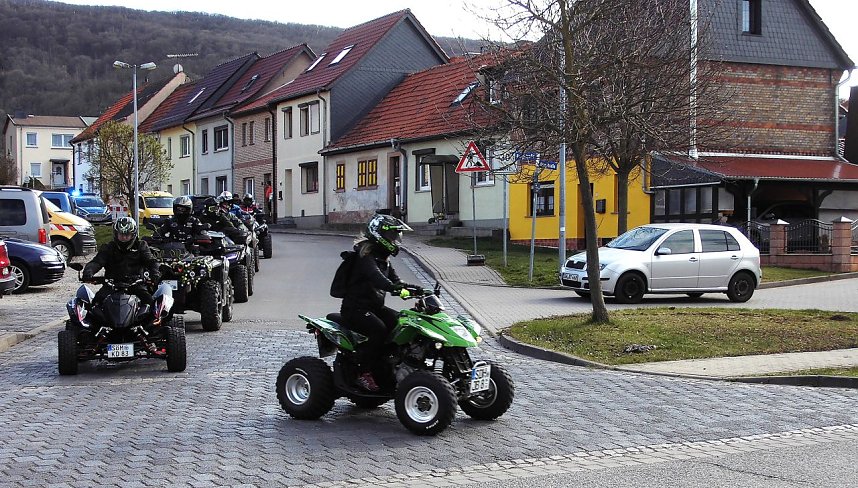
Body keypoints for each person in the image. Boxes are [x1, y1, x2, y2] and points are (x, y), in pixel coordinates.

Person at [339, 214, 418, 391]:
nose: (395, 240)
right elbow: (378, 279)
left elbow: (397, 282)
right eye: (392, 236)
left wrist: (418, 290)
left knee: (402, 324)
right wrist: (394, 288)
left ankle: (388, 365)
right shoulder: (365, 257)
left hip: (374, 307)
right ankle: (363, 372)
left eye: (396, 237)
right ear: (379, 235)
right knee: (378, 330)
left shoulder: (384, 260)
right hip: (355, 309)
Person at [83, 216, 160, 309]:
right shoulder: (108, 247)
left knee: (151, 305)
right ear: (116, 234)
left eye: (127, 235)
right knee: (95, 304)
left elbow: (151, 261)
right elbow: (97, 262)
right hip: (112, 285)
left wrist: (155, 273)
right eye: (121, 234)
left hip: (136, 284)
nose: (123, 238)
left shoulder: (141, 246)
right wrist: (88, 271)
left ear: (133, 235)